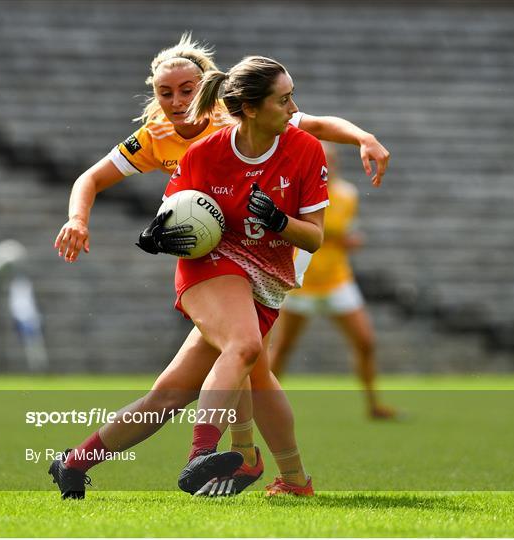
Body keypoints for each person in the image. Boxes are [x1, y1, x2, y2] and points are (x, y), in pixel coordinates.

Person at [50, 34, 389, 499]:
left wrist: (363, 137)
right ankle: (209, 457)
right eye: (165, 93)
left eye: (186, 90)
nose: (176, 101)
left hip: (269, 269)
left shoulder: (251, 119)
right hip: (211, 260)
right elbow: (111, 185)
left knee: (182, 390)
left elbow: (318, 128)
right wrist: (135, 227)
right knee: (245, 348)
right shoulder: (164, 140)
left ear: (207, 87)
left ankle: (75, 462)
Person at [144, 54, 328, 497]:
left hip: (270, 276)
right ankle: (214, 456)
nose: (292, 107)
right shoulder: (207, 150)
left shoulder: (303, 146)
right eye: (283, 100)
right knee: (246, 357)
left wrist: (279, 221)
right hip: (219, 270)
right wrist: (158, 232)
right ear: (249, 107)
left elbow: (315, 239)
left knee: (250, 373)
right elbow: (172, 210)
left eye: (291, 98)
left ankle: (267, 468)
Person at [270, 143, 396, 419]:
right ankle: (263, 405)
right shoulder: (295, 193)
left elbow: (342, 233)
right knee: (282, 348)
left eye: (328, 161)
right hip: (301, 283)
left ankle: (374, 405)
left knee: (365, 342)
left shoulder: (348, 195)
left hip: (338, 281)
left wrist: (348, 241)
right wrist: (337, 239)